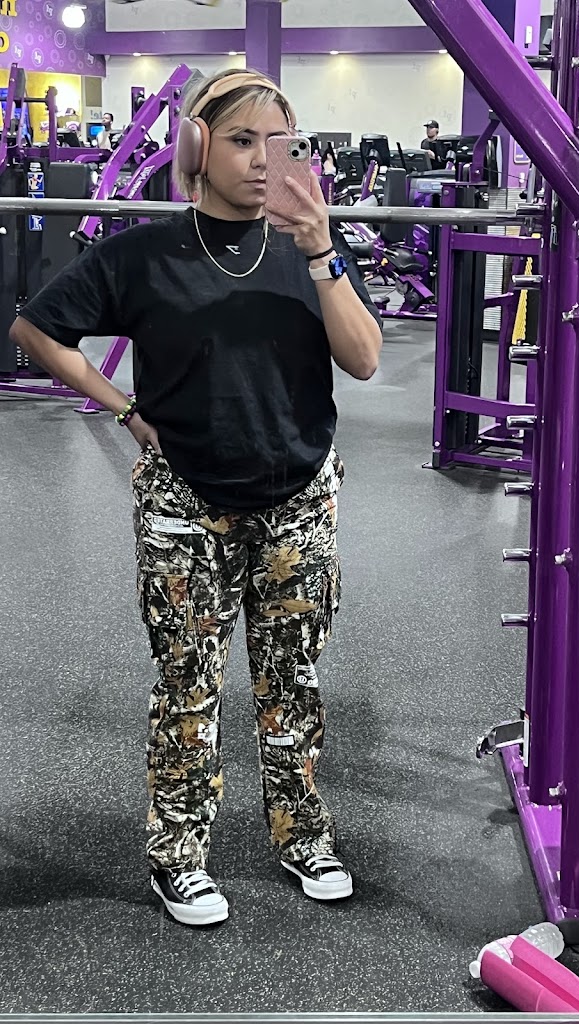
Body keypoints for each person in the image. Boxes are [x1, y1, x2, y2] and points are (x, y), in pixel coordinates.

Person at [10, 68, 383, 928]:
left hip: (298, 498)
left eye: (276, 145)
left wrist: (321, 252)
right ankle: (177, 857)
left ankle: (303, 837)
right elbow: (35, 328)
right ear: (197, 146)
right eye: (243, 141)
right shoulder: (146, 255)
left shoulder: (310, 251)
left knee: (293, 683)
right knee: (187, 686)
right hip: (186, 501)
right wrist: (123, 409)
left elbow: (364, 360)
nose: (260, 162)